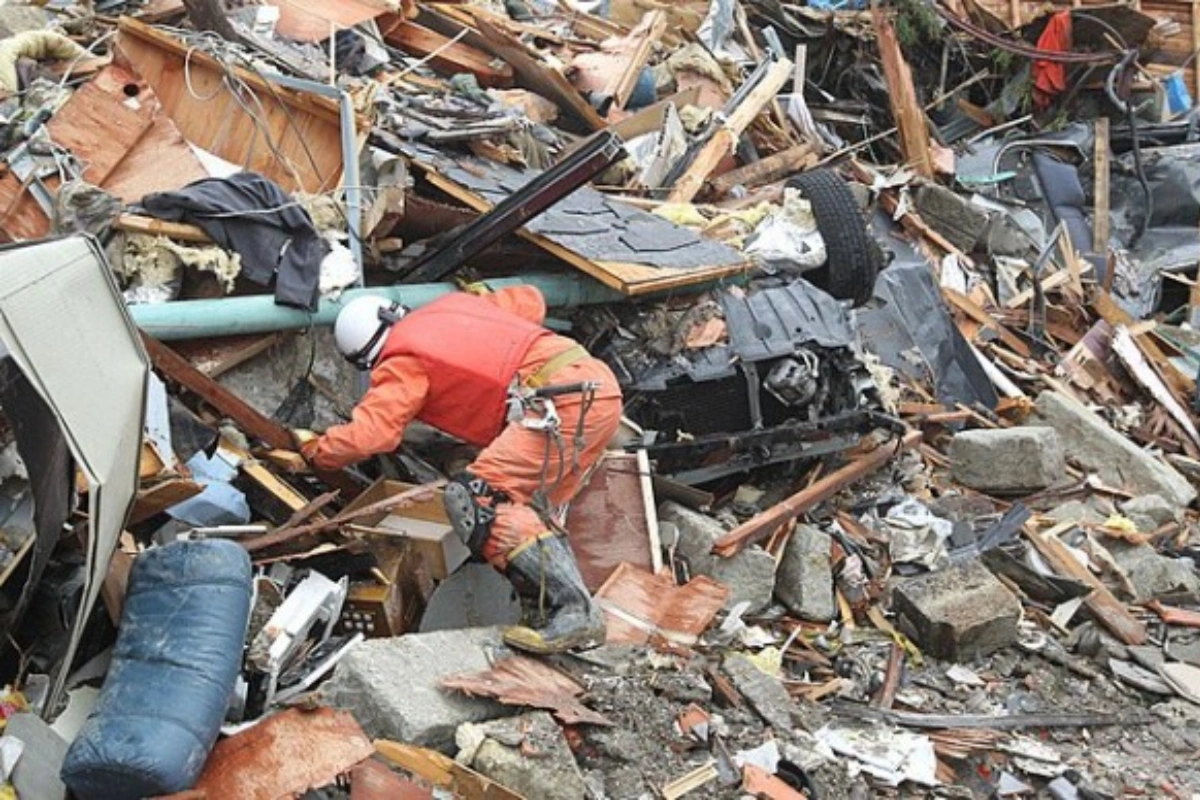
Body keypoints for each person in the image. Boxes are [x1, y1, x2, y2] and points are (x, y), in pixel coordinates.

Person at [302, 285, 623, 654]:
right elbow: (531, 299)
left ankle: (575, 612)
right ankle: (549, 612)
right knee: (530, 509)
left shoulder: (401, 359)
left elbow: (371, 437)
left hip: (557, 405)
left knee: (476, 499)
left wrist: (318, 451)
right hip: (594, 388)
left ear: (364, 356)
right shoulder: (454, 306)